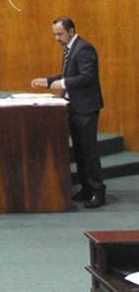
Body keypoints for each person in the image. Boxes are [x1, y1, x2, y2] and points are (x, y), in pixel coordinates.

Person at [31, 16, 105, 208]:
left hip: (86, 108)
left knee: (89, 151)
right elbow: (68, 75)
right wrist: (48, 81)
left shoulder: (84, 48)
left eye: (60, 34)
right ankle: (86, 189)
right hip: (73, 106)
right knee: (79, 151)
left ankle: (97, 191)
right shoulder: (70, 49)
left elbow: (87, 77)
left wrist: (62, 83)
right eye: (55, 34)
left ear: (71, 31)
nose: (57, 38)